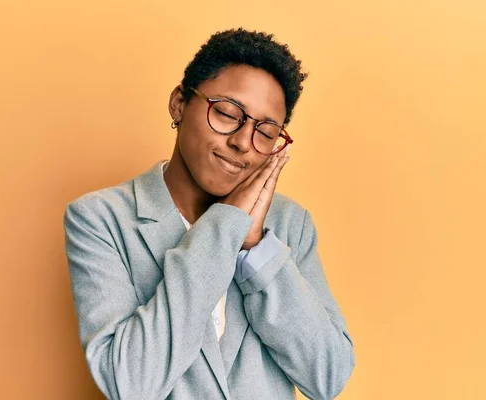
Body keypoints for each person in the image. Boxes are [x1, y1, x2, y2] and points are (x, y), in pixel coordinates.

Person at [64, 28, 355, 400]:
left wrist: (256, 246)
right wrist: (227, 224)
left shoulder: (290, 224)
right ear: (179, 103)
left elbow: (328, 376)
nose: (242, 143)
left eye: (266, 132)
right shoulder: (100, 219)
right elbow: (129, 385)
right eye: (228, 113)